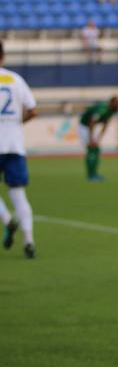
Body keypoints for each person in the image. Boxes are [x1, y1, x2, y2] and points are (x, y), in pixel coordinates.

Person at [0, 40, 38, 259]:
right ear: (3, 56)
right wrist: (16, 123)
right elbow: (33, 110)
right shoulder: (15, 79)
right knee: (18, 194)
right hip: (14, 144)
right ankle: (29, 240)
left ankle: (7, 220)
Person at [79, 96, 118, 181]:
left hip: (91, 128)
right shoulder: (102, 109)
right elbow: (91, 122)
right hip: (85, 127)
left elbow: (105, 125)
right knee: (92, 149)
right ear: (112, 103)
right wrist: (91, 138)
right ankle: (91, 175)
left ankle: (93, 174)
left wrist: (98, 139)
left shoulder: (111, 111)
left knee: (96, 150)